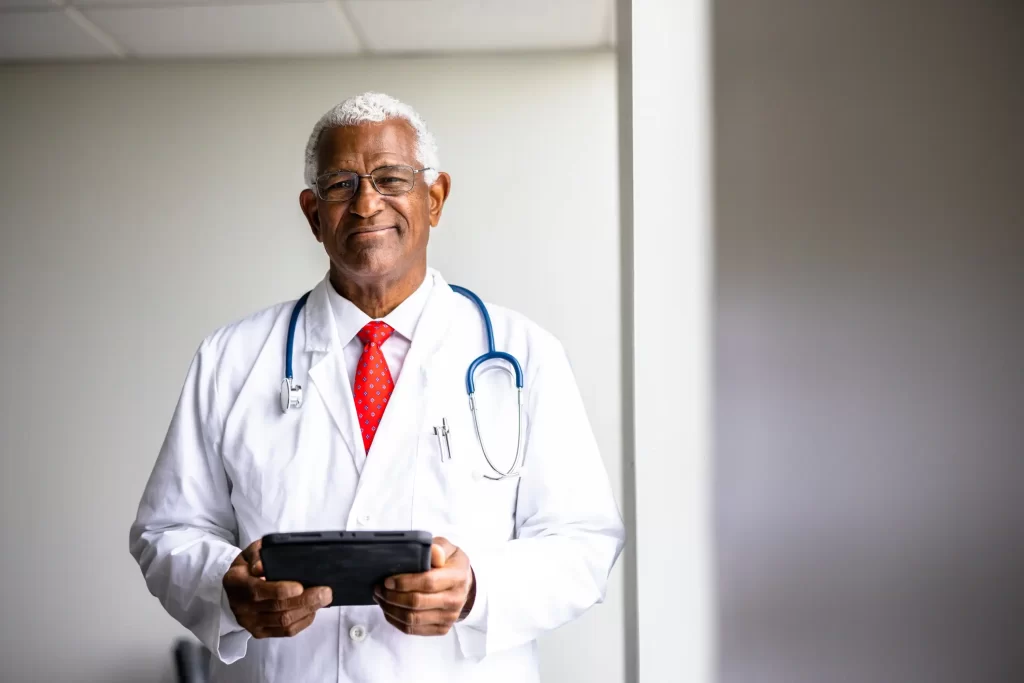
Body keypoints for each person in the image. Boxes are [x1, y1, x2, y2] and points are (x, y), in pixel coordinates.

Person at [129, 92, 624, 683]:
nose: (367, 203)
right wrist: (226, 587)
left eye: (391, 178)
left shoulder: (524, 355)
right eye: (341, 185)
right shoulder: (230, 359)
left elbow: (584, 541)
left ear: (434, 199)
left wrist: (477, 591)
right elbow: (167, 531)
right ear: (313, 214)